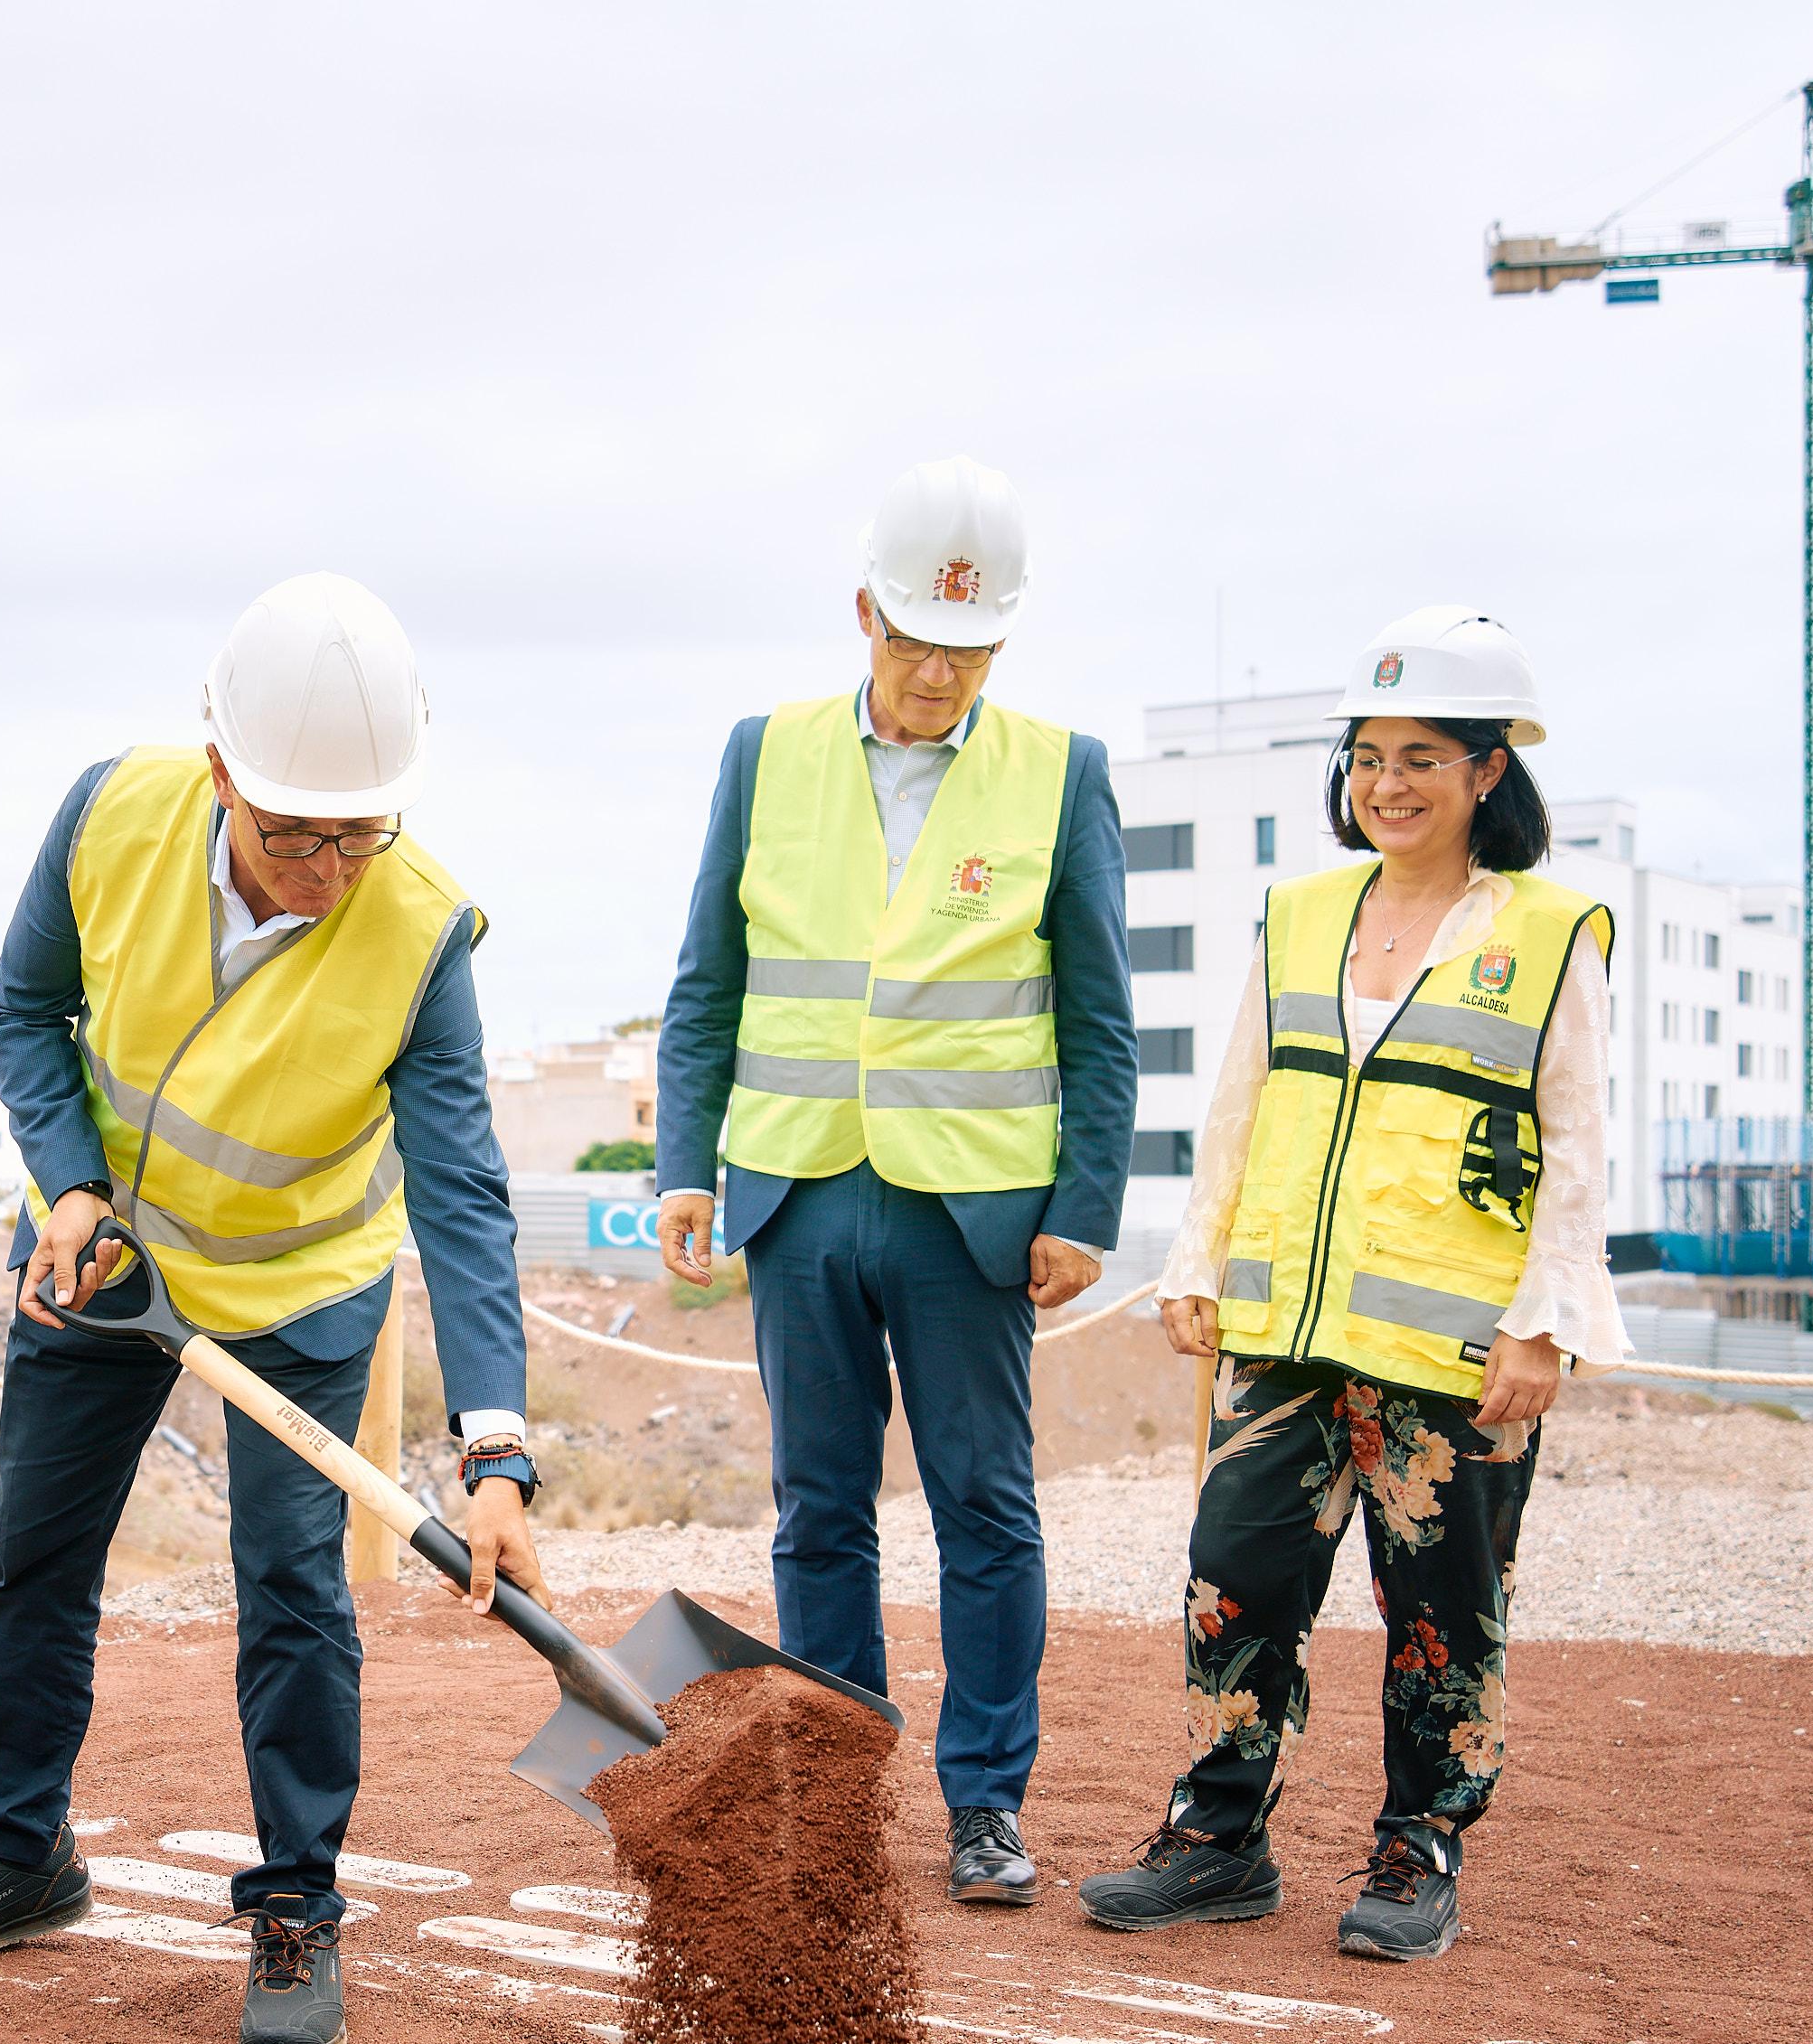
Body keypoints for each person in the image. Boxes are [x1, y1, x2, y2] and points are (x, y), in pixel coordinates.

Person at [0, 573, 548, 2044]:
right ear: (223, 770)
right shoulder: (112, 818)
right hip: (107, 1264)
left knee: (293, 1592)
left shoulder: (422, 933)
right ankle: (15, 1854)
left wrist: (496, 1450)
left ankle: (296, 1901)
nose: (332, 867)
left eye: (362, 833)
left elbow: (466, 1193)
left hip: (300, 1290)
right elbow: (26, 1012)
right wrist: (68, 1186)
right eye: (297, 832)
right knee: (34, 1559)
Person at [1077, 605, 1622, 1963]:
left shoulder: (1552, 934)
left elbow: (1584, 1142)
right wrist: (1196, 1258)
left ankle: (1417, 1849)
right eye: (1370, 754)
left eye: (1424, 756)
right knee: (1233, 1582)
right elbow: (1240, 1102)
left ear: (1491, 770)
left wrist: (1545, 1324)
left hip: (1456, 1348)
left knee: (1441, 1614)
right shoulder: (1303, 912)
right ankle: (1218, 1840)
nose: (1388, 783)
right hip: (1287, 1329)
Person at [654, 456, 1137, 1909]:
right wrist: (688, 1167)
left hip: (971, 1207)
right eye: (918, 643)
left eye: (971, 650)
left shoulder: (1062, 771)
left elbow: (1099, 1016)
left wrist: (1084, 1210)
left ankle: (986, 1804)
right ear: (863, 614)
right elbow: (708, 982)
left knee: (986, 1508)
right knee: (818, 1509)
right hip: (797, 1195)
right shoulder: (766, 752)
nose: (941, 674)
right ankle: (838, 1787)